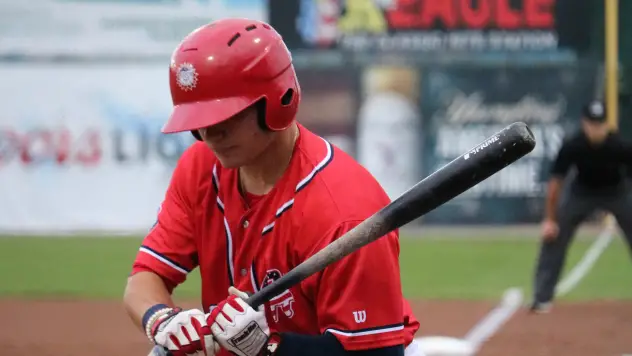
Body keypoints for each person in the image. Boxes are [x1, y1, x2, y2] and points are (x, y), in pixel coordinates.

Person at [123, 18, 422, 356]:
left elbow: (376, 355)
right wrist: (162, 321)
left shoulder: (345, 213)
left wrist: (271, 347)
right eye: (199, 122)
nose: (210, 134)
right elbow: (145, 278)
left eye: (225, 117)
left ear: (277, 99)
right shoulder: (200, 168)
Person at [531, 100, 632, 313]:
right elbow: (555, 183)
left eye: (600, 124)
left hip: (616, 192)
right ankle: (542, 297)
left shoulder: (620, 146)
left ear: (606, 124)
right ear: (584, 124)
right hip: (582, 193)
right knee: (554, 237)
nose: (596, 129)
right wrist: (550, 219)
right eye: (592, 124)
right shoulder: (573, 146)